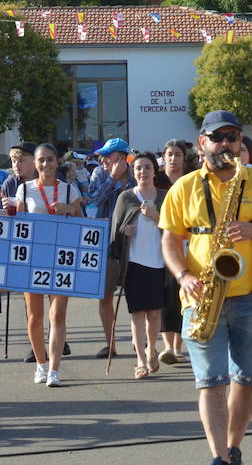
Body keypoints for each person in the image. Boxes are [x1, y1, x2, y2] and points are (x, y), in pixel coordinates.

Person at [159, 110, 252, 465]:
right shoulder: (184, 187)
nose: (225, 144)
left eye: (232, 137)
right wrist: (183, 276)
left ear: (240, 143)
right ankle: (218, 460)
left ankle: (234, 451)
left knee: (246, 380)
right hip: (201, 296)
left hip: (251, 293)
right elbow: (170, 239)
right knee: (211, 382)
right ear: (201, 143)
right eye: (217, 137)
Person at [14, 143, 84, 387]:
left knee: (58, 314)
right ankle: (41, 365)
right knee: (35, 316)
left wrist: (69, 210)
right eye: (41, 160)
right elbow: (19, 225)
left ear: (57, 162)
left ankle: (54, 369)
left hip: (61, 258)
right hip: (33, 257)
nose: (45, 164)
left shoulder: (68, 190)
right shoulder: (24, 189)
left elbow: (83, 223)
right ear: (34, 163)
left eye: (50, 160)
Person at [112, 152, 168, 379]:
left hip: (158, 261)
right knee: (137, 313)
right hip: (133, 263)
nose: (142, 172)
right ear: (133, 173)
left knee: (154, 313)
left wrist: (156, 217)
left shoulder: (165, 197)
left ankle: (151, 348)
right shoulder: (126, 198)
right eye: (138, 168)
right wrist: (124, 232)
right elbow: (115, 231)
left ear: (155, 171)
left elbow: (176, 229)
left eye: (147, 167)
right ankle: (140, 360)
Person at [83, 138, 132, 359]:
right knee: (105, 296)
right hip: (107, 244)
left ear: (121, 157)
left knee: (137, 297)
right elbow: (93, 198)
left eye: (108, 155)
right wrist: (112, 178)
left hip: (133, 244)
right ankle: (110, 343)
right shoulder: (100, 174)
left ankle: (141, 342)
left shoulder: (135, 175)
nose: (102, 159)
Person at [157, 138, 193, 366]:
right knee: (162, 295)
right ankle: (167, 346)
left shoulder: (191, 181)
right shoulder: (156, 180)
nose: (173, 159)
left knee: (182, 295)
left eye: (177, 154)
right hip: (158, 245)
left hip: (188, 243)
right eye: (169, 154)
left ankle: (178, 347)